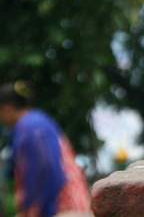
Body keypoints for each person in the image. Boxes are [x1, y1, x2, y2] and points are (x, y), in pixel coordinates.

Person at [0, 82, 92, 217]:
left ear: (6, 109)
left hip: (62, 208)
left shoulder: (30, 128)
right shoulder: (36, 123)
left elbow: (47, 171)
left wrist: (42, 211)